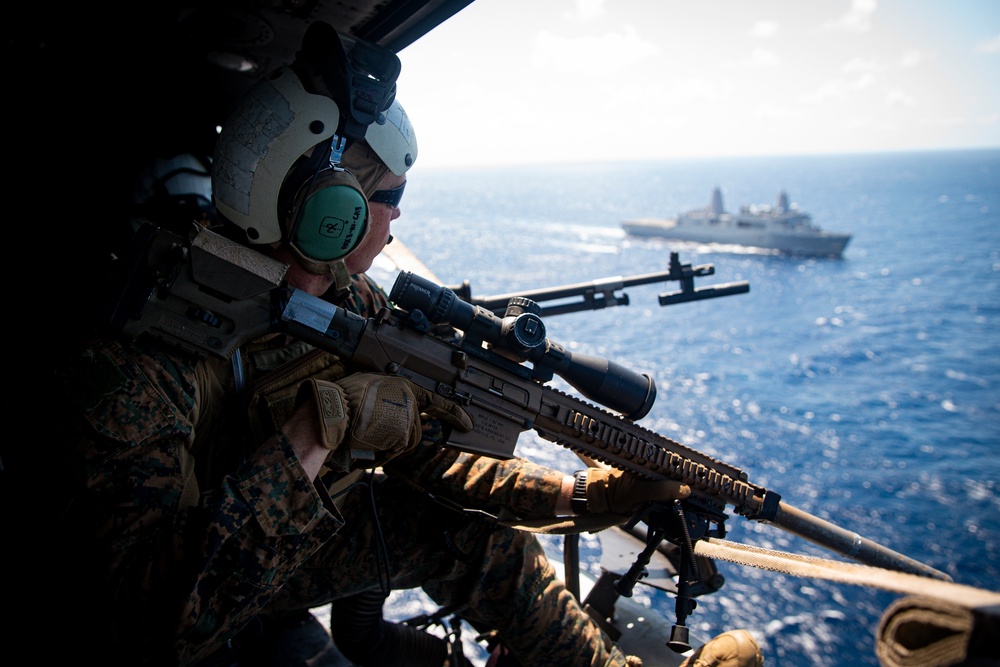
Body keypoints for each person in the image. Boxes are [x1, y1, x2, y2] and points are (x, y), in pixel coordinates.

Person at [44, 25, 763, 667]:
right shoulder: (138, 356)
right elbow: (143, 628)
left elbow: (432, 457)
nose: (395, 216)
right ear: (330, 211)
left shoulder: (350, 303)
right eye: (390, 195)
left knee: (481, 539)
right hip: (207, 580)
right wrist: (318, 431)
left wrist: (582, 494)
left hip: (287, 539)